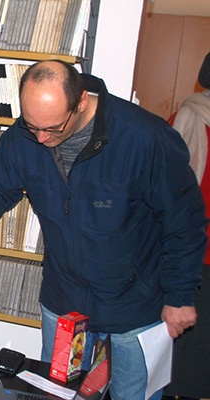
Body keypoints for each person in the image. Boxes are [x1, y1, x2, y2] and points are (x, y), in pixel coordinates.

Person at [0, 60, 207, 400]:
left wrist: (180, 296)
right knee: (60, 394)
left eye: (52, 128)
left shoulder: (146, 139)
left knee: (134, 396)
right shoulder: (26, 135)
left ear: (81, 102)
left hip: (136, 305)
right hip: (65, 299)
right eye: (31, 125)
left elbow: (184, 222)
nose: (40, 137)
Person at [163, 52, 210, 400]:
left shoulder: (186, 115)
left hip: (195, 254)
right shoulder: (190, 117)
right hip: (198, 257)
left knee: (188, 362)